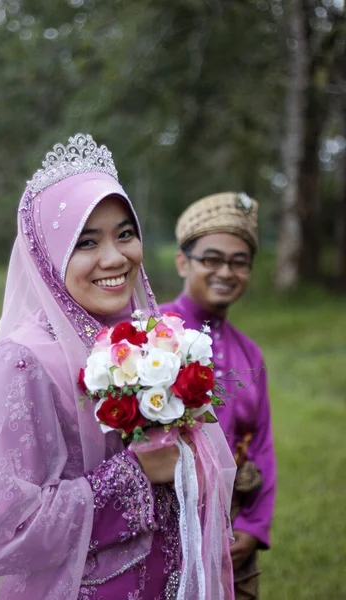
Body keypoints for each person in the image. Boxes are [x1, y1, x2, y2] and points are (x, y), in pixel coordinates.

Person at [0, 134, 236, 600]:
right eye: (85, 241)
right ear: (48, 255)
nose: (115, 258)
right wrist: (135, 474)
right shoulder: (24, 361)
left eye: (125, 233)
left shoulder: (153, 338)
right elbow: (4, 535)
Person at [159, 192, 276, 600]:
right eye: (211, 258)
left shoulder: (250, 353)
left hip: (232, 531)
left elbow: (261, 445)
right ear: (182, 261)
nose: (226, 271)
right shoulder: (154, 335)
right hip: (166, 529)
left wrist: (252, 527)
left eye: (239, 262)